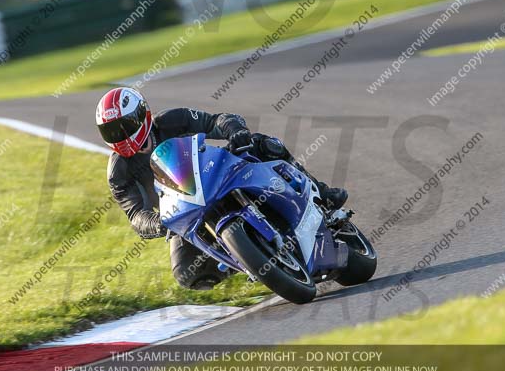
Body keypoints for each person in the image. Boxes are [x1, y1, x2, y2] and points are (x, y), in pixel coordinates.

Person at [96, 87, 347, 290]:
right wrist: (155, 222)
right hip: (181, 208)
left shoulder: (172, 120)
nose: (119, 136)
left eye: (123, 127)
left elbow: (217, 120)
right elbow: (135, 215)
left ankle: (322, 194)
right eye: (111, 131)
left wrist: (235, 131)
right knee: (187, 274)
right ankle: (245, 257)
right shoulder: (118, 172)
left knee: (263, 145)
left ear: (141, 116)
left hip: (213, 172)